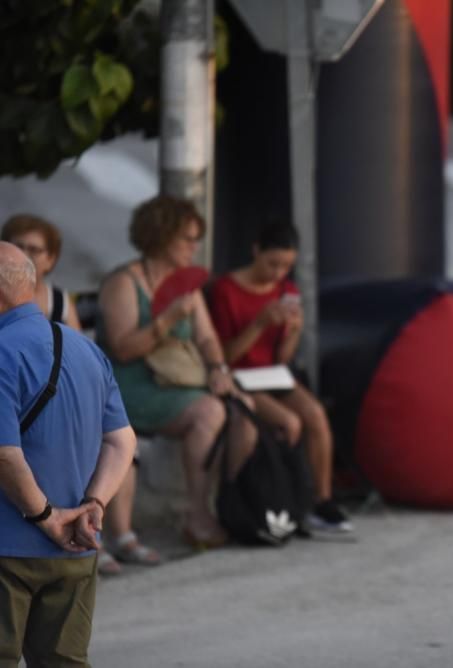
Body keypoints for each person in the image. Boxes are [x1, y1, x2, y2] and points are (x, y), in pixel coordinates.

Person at [0, 241, 137, 665]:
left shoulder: (3, 353)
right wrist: (93, 505)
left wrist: (45, 516)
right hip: (75, 548)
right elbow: (122, 440)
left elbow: (5, 455)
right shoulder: (85, 349)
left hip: (9, 549)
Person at [97, 194, 256, 551]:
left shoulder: (186, 284)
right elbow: (123, 349)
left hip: (177, 382)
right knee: (211, 412)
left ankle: (234, 505)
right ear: (161, 235)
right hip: (131, 385)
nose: (194, 246)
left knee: (243, 407)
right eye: (187, 238)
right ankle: (198, 514)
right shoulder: (124, 283)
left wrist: (217, 368)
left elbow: (207, 337)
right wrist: (167, 319)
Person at [208, 223, 353, 536]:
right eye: (272, 263)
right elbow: (224, 355)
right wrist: (259, 324)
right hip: (239, 376)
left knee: (314, 414)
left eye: (287, 265)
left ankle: (321, 500)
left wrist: (292, 330)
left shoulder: (287, 291)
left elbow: (282, 358)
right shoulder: (226, 290)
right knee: (289, 422)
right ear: (255, 250)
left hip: (271, 373)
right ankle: (285, 500)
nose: (278, 272)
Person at [2, 214, 82, 329]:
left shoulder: (60, 302)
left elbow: (76, 344)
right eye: (18, 247)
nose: (24, 255)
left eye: (34, 250)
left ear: (50, 259)